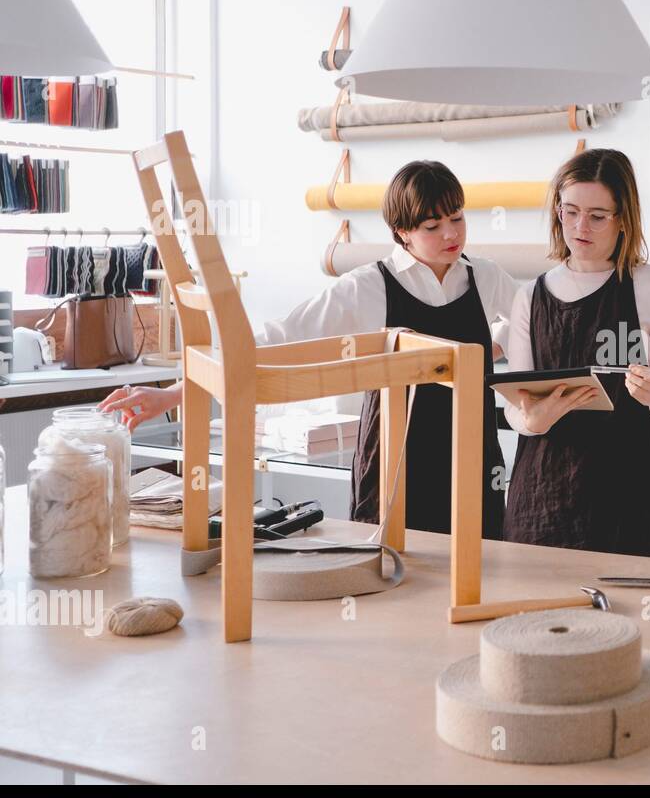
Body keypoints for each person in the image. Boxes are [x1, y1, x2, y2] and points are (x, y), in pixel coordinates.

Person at [99, 161, 517, 538]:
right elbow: (274, 343)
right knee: (395, 577)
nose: (451, 233)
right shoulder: (368, 286)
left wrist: (494, 345)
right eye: (432, 226)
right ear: (402, 232)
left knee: (481, 564)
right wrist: (175, 393)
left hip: (474, 454)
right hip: (398, 461)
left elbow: (531, 326)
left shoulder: (485, 277)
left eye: (457, 218)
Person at [502, 148, 650, 558]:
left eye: (598, 216)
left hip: (629, 502)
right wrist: (532, 420)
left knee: (644, 620)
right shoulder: (529, 296)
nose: (581, 226)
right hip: (543, 501)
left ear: (624, 219)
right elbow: (516, 405)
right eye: (570, 212)